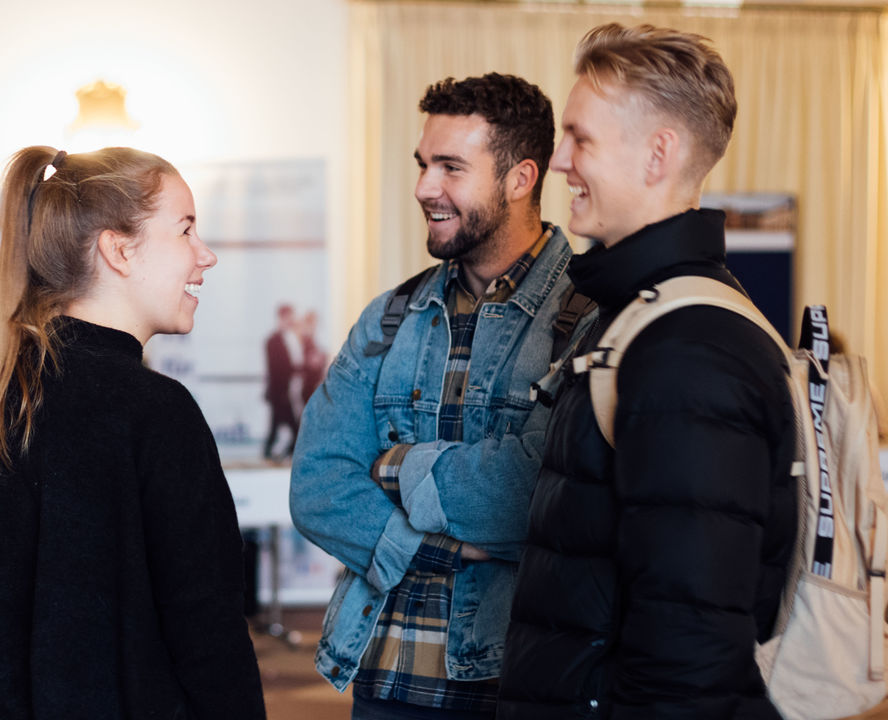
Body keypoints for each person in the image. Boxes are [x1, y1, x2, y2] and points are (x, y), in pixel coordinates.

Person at [0, 146, 266, 719]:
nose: (206, 256)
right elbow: (209, 640)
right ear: (118, 250)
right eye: (185, 231)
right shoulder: (157, 415)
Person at [498, 24, 797, 719]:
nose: (560, 161)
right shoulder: (642, 317)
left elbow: (688, 660)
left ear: (658, 154)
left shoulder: (686, 350)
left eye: (581, 138)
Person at [290, 73, 580, 720]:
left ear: (521, 177)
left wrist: (394, 467)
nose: (425, 187)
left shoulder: (589, 318)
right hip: (384, 679)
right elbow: (317, 487)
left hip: (517, 682)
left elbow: (538, 494)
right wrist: (446, 547)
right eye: (424, 165)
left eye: (451, 167)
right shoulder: (389, 316)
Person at [263, 303, 300, 460]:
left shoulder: (286, 339)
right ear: (282, 318)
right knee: (292, 427)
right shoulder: (273, 341)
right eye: (289, 317)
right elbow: (276, 369)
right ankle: (282, 453)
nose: (291, 321)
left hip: (282, 392)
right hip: (279, 392)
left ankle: (276, 453)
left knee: (278, 426)